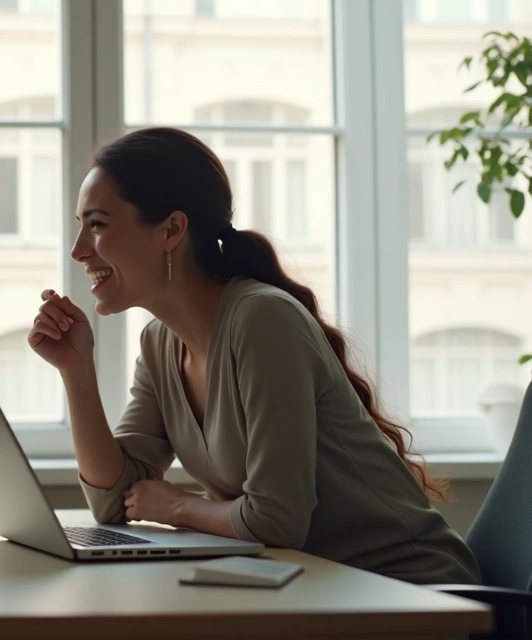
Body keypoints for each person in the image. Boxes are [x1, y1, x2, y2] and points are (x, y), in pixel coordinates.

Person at [28, 127, 479, 585]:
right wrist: (76, 372)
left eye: (97, 225)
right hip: (314, 584)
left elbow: (276, 521)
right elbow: (113, 502)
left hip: (411, 589)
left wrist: (178, 506)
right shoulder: (159, 344)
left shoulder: (263, 320)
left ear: (172, 230)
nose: (78, 250)